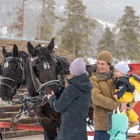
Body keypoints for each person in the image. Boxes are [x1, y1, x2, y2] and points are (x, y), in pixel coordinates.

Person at [90, 51, 135, 140]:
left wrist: (127, 106)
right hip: (103, 125)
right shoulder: (94, 79)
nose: (99, 66)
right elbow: (96, 98)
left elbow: (132, 94)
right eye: (98, 63)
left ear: (109, 64)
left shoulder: (120, 76)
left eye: (103, 64)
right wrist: (118, 105)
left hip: (120, 125)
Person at [47, 58, 93, 140]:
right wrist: (64, 90)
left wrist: (51, 98)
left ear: (73, 71)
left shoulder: (72, 88)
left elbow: (58, 106)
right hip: (80, 133)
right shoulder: (86, 87)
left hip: (68, 133)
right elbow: (76, 100)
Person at [114, 61, 139, 127]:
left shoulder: (122, 81)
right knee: (127, 108)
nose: (115, 73)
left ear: (122, 72)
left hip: (124, 96)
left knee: (121, 108)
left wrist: (117, 94)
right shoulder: (126, 79)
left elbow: (122, 88)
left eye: (116, 71)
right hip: (128, 96)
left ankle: (125, 124)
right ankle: (134, 120)